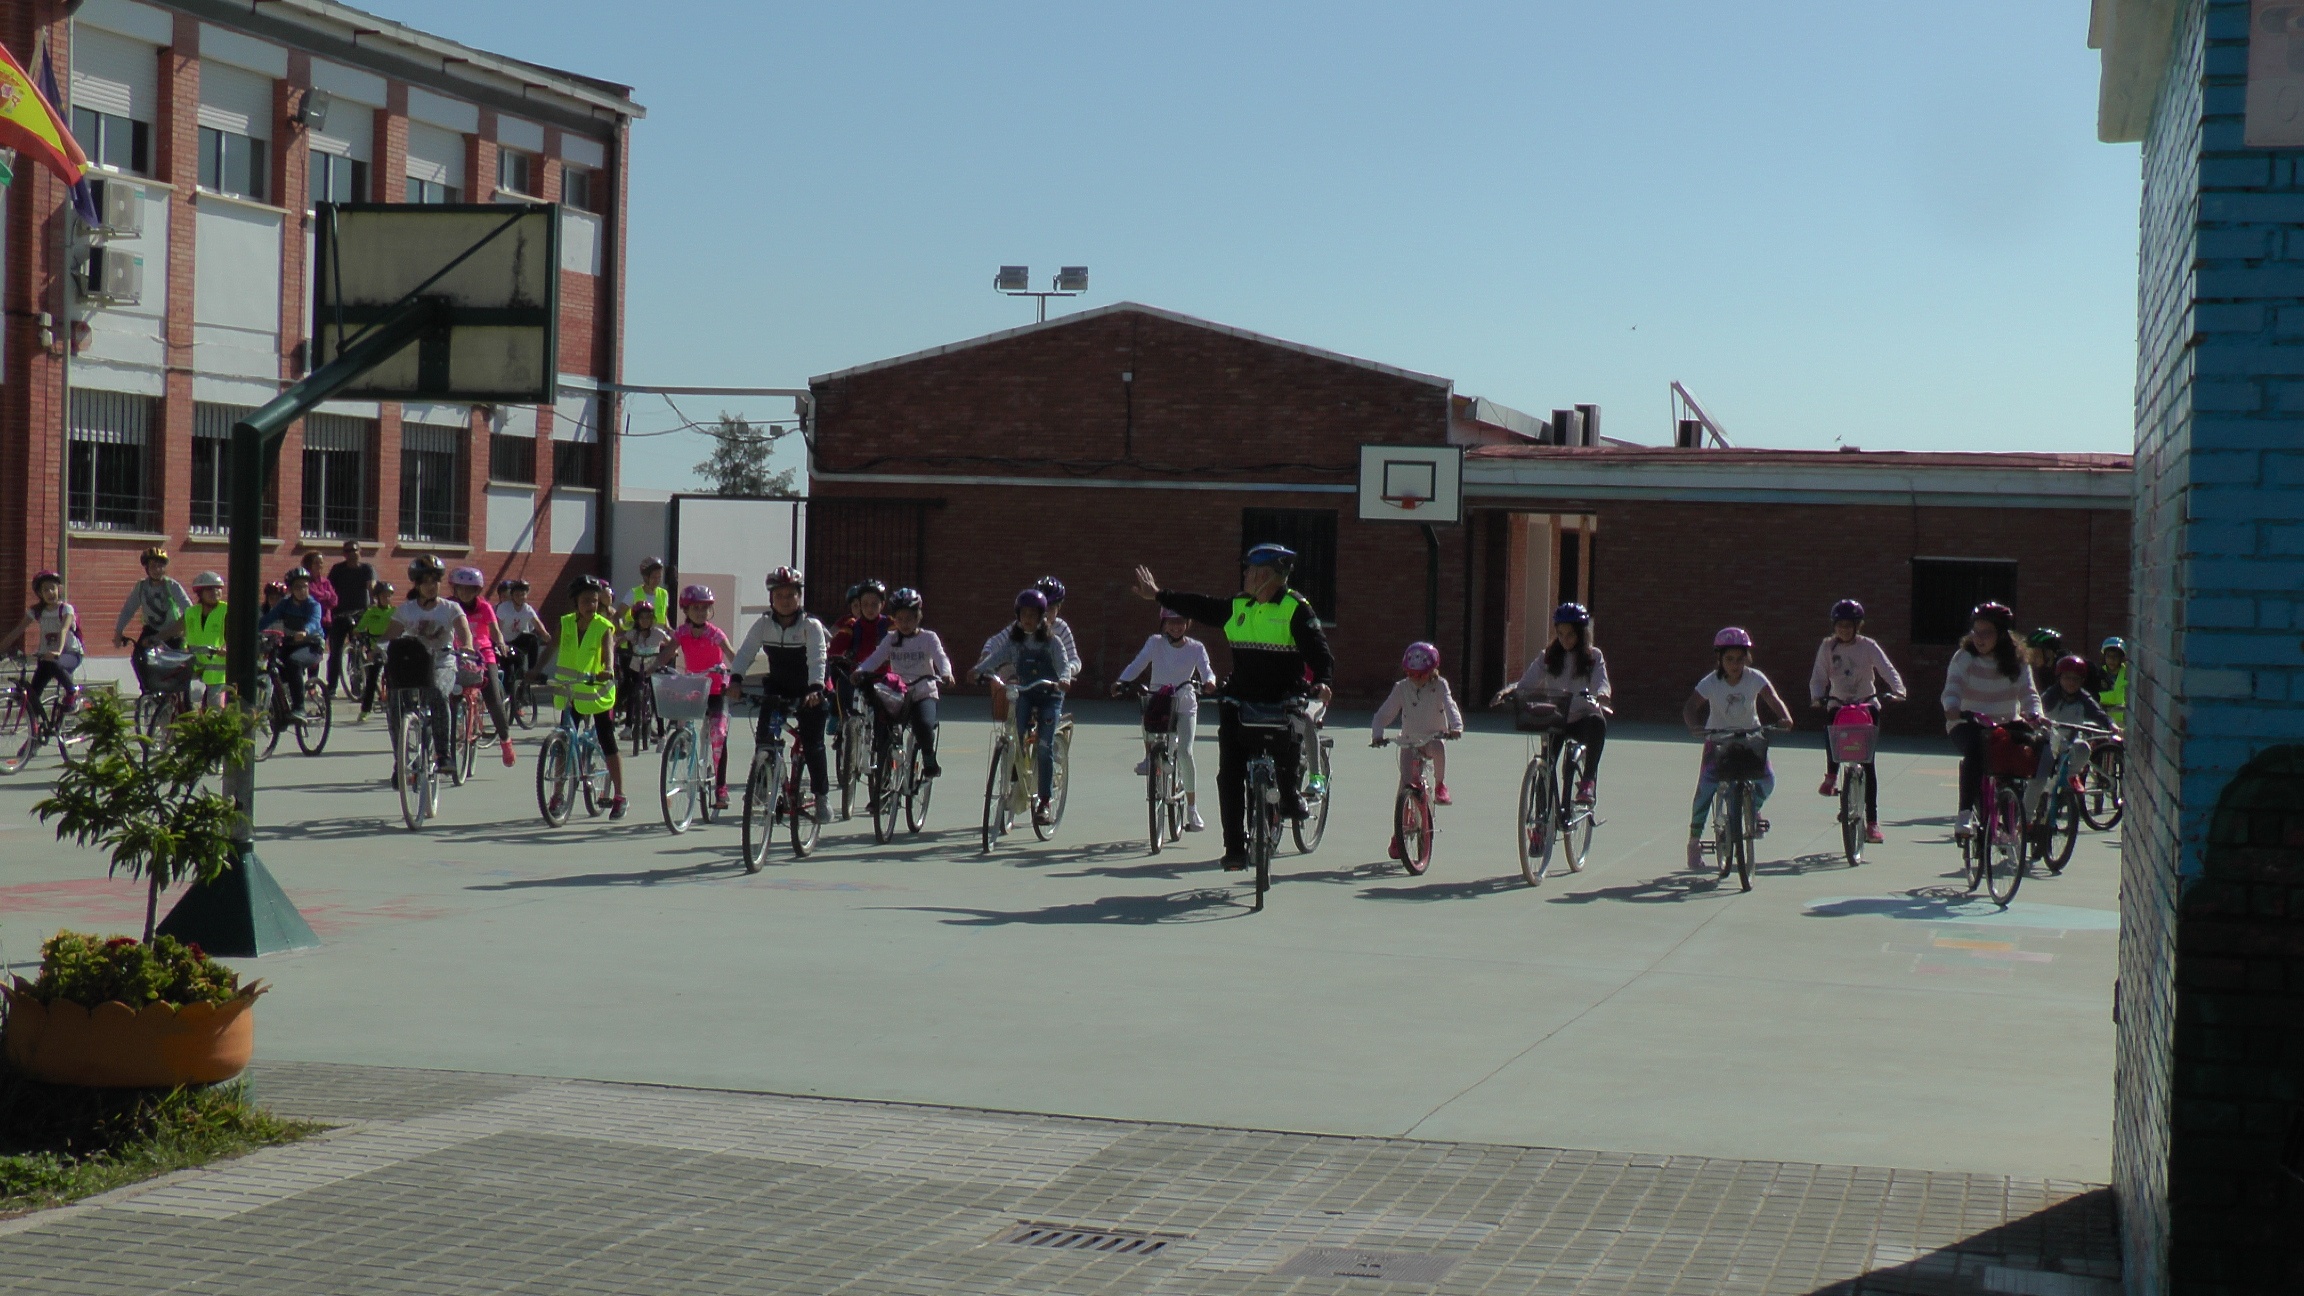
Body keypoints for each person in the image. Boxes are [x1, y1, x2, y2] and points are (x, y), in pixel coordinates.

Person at [1132, 544, 1335, 871]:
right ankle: (1235, 848)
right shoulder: (1238, 605)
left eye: (1249, 571)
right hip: (1242, 695)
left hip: (1282, 695)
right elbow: (1201, 606)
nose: (1244, 576)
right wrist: (1159, 595)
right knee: (1229, 774)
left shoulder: (1296, 609)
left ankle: (1290, 795)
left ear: (1265, 576)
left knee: (1288, 744)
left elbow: (1320, 652)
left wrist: (1323, 681)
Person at [1681, 627, 1794, 869]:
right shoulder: (1711, 682)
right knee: (1705, 790)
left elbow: (1773, 699)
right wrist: (1695, 726)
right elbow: (1690, 707)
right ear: (1719, 659)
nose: (1734, 664)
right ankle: (1694, 842)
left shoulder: (1755, 678)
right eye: (1729, 659)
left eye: (1739, 659)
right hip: (1718, 741)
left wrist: (1784, 717)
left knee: (1767, 780)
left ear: (1747, 658)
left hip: (1750, 739)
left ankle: (1752, 808)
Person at [972, 589, 1080, 825]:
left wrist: (1064, 678)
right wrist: (979, 670)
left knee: (1044, 746)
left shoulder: (1053, 641)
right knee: (1014, 733)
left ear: (1042, 617)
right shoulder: (1015, 642)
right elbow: (996, 657)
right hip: (1025, 693)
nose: (1028, 619)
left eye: (1033, 615)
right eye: (1023, 614)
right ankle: (1014, 781)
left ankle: (1043, 802)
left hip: (1050, 696)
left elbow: (1064, 663)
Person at [731, 567, 830, 821]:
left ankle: (821, 798)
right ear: (771, 599)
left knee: (813, 743)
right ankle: (763, 784)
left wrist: (816, 688)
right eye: (780, 595)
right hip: (778, 688)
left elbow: (817, 659)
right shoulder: (763, 625)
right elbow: (745, 653)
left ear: (799, 597)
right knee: (764, 736)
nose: (785, 600)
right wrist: (736, 679)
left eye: (791, 595)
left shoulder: (811, 626)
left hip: (809, 690)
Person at [1941, 602, 2044, 841]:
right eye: (1975, 631)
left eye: (1986, 633)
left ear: (2002, 634)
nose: (1979, 638)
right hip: (1967, 723)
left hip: (2006, 722)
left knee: (2029, 749)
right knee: (1977, 748)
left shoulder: (2016, 661)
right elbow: (1953, 686)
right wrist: (1952, 708)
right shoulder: (1964, 657)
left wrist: (2035, 713)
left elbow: (2028, 693)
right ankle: (1965, 815)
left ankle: (2014, 812)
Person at [1807, 598, 1907, 843]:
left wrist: (1898, 690)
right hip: (1839, 703)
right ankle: (1831, 775)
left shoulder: (1867, 646)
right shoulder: (1827, 647)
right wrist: (1817, 696)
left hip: (1866, 704)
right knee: (1831, 731)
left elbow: (1886, 668)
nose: (1843, 630)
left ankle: (1872, 823)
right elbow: (1819, 675)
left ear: (1857, 626)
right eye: (1839, 625)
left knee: (1868, 763)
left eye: (1848, 625)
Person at [1493, 602, 1612, 803]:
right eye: (1560, 634)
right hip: (1555, 719)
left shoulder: (1593, 657)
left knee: (1598, 723)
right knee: (1545, 768)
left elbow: (1602, 681)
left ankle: (1587, 782)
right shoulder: (1547, 657)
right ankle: (1540, 821)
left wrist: (1602, 695)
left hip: (1582, 717)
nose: (1565, 640)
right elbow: (1527, 683)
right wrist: (1511, 692)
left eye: (1571, 635)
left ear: (1581, 634)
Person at [1112, 606, 1216, 831]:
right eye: (1171, 621)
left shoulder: (1196, 648)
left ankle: (1192, 808)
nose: (1176, 626)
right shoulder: (1155, 643)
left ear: (1187, 623)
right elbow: (1138, 663)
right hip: (1159, 700)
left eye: (1180, 621)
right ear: (1163, 623)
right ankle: (1150, 756)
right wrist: (1122, 681)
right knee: (1146, 707)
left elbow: (1206, 670)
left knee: (1186, 752)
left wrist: (1209, 682)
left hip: (1185, 704)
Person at [382, 556, 475, 779]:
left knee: (438, 693)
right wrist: (377, 649)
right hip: (414, 665)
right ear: (416, 584)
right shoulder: (406, 610)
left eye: (435, 581)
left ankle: (443, 755)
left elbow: (463, 632)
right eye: (425, 581)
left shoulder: (450, 608)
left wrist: (468, 646)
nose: (431, 586)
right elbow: (389, 636)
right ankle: (400, 762)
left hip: (442, 662)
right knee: (394, 703)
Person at [1371, 641, 1464, 858]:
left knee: (1439, 748)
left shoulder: (1440, 685)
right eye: (1411, 674)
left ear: (1432, 671)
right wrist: (1377, 734)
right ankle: (1398, 834)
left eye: (1421, 675)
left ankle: (1440, 784)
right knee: (1404, 784)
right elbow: (1384, 713)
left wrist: (1456, 727)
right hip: (1409, 743)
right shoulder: (1401, 688)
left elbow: (1450, 706)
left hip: (1431, 739)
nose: (1416, 679)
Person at [853, 587, 954, 780]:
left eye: (910, 618)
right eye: (900, 619)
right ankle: (882, 782)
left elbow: (940, 657)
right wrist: (860, 671)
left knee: (924, 726)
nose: (904, 623)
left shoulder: (928, 638)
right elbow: (875, 658)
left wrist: (946, 673)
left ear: (918, 617)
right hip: (897, 693)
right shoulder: (891, 639)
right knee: (883, 733)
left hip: (923, 692)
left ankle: (929, 758)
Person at [554, 575, 627, 817]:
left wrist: (607, 669)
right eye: (586, 601)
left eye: (595, 601)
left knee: (607, 739)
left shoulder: (603, 626)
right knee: (563, 743)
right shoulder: (565, 623)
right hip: (572, 691)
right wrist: (534, 670)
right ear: (575, 602)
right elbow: (552, 647)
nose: (591, 606)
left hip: (598, 692)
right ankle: (557, 793)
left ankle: (619, 795)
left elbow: (608, 651)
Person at [668, 583, 738, 807]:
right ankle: (682, 743)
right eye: (695, 607)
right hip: (694, 689)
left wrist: (741, 673)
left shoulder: (715, 634)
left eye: (705, 608)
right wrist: (651, 668)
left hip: (717, 691)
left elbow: (731, 654)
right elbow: (666, 653)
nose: (700, 612)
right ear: (685, 610)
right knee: (680, 720)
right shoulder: (681, 633)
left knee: (718, 734)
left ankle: (721, 788)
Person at [448, 567, 517, 766]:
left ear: (477, 591)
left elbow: (495, 631)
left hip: (482, 656)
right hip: (455, 655)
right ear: (455, 588)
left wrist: (501, 644)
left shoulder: (484, 607)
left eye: (470, 589)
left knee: (493, 697)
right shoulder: (449, 605)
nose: (465, 593)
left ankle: (505, 740)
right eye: (461, 588)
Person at [113, 546, 188, 697]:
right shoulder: (141, 587)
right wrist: (119, 631)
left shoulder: (171, 585)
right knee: (138, 658)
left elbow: (189, 609)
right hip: (151, 629)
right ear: (146, 568)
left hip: (173, 631)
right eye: (153, 566)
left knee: (179, 669)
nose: (157, 570)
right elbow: (128, 609)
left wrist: (174, 631)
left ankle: (185, 705)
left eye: (160, 566)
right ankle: (147, 690)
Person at [7, 571, 83, 717]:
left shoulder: (66, 609)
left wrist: (58, 651)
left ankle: (72, 692)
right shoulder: (37, 611)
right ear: (40, 593)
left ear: (58, 589)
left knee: (53, 663)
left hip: (70, 654)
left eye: (52, 588)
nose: (50, 592)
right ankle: (38, 732)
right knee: (32, 696)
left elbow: (63, 629)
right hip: (47, 658)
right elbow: (18, 630)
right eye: (45, 590)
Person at [258, 569, 327, 714]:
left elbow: (314, 621)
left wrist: (305, 631)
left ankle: (299, 708)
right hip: (290, 644)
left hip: (311, 645)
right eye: (298, 587)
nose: (302, 590)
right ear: (290, 589)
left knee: (293, 662)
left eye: (305, 586)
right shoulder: (284, 604)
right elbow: (268, 619)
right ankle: (281, 707)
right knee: (275, 665)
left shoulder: (313, 605)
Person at [826, 579, 891, 721]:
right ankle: (845, 723)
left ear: (882, 605)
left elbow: (902, 643)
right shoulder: (852, 625)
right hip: (857, 673)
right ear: (859, 605)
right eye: (865, 604)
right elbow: (837, 646)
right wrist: (830, 654)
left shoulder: (890, 624)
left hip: (883, 675)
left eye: (874, 604)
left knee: (884, 715)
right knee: (843, 682)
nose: (870, 609)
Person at [325, 541, 377, 697]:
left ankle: (358, 685)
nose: (352, 553)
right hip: (340, 614)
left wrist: (373, 601)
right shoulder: (337, 570)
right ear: (344, 554)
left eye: (354, 550)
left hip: (360, 613)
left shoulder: (366, 569)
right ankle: (331, 687)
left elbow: (371, 585)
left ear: (360, 552)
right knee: (336, 651)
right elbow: (330, 588)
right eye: (348, 551)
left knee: (360, 649)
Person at [177, 571, 229, 708]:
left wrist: (226, 647)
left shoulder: (227, 610)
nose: (215, 592)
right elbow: (179, 630)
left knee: (214, 707)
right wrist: (157, 638)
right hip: (196, 663)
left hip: (217, 667)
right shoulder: (192, 612)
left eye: (218, 588)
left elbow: (235, 633)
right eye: (209, 589)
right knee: (173, 685)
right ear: (200, 592)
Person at [494, 578, 550, 694]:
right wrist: (500, 643)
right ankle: (507, 699)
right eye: (517, 594)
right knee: (509, 672)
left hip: (518, 641)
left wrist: (545, 635)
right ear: (512, 595)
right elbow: (498, 627)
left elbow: (537, 623)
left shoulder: (527, 609)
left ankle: (532, 671)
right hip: (504, 643)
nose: (520, 597)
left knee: (532, 639)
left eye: (523, 594)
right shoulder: (504, 608)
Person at [353, 581, 397, 720]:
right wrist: (361, 636)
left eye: (389, 595)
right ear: (377, 597)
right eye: (383, 595)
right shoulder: (371, 612)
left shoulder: (395, 611)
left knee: (393, 679)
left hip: (391, 648)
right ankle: (365, 709)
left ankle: (395, 706)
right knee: (372, 679)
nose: (386, 598)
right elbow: (359, 628)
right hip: (375, 648)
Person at [622, 557, 670, 628]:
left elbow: (664, 618)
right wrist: (622, 632)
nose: (656, 580)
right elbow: (617, 616)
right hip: (635, 637)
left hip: (656, 637)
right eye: (653, 577)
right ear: (645, 577)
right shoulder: (633, 593)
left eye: (659, 577)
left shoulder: (664, 594)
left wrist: (670, 631)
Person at [2098, 636, 2129, 728]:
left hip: (2123, 724)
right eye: (2109, 656)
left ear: (2121, 658)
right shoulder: (2098, 674)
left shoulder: (2128, 673)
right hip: (2103, 723)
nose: (2112, 660)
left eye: (2115, 656)